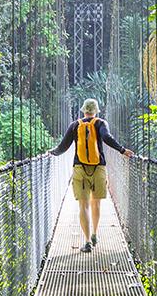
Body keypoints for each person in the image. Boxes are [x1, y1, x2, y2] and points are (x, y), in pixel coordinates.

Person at [49, 98, 134, 252]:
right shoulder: (101, 123)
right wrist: (122, 150)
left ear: (83, 110)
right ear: (96, 111)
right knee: (96, 203)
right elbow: (107, 138)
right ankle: (95, 233)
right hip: (98, 167)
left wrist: (52, 153)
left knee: (83, 205)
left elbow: (63, 147)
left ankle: (87, 241)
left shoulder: (75, 125)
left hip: (80, 168)